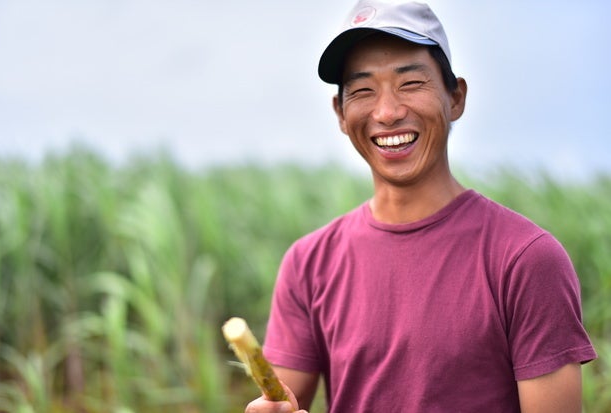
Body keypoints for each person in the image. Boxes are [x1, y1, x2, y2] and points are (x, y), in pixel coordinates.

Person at [245, 1, 597, 412]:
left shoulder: (525, 259)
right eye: (363, 91)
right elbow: (282, 401)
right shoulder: (308, 263)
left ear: (456, 97)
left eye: (411, 83)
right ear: (340, 113)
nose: (387, 112)